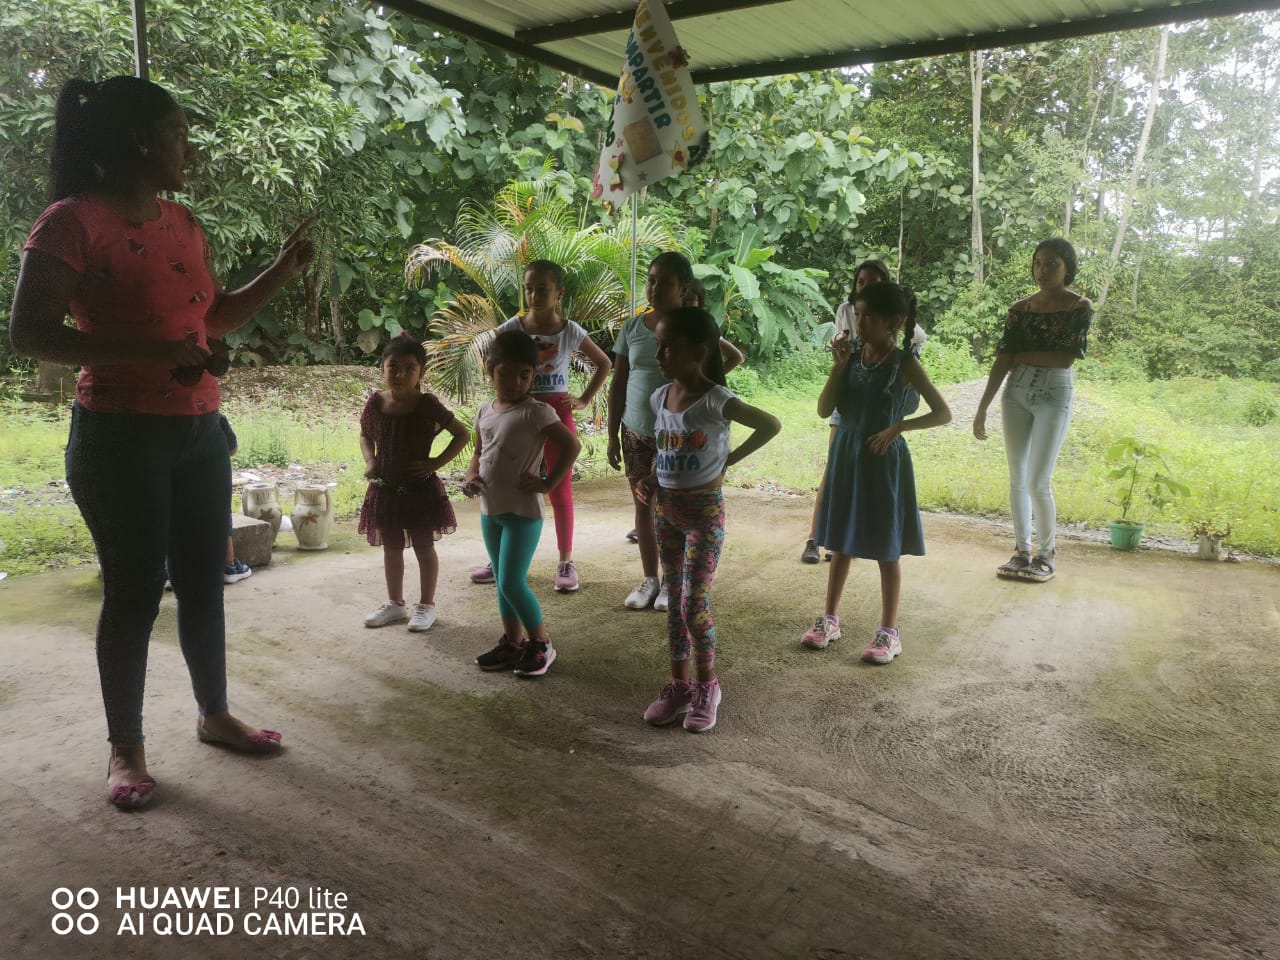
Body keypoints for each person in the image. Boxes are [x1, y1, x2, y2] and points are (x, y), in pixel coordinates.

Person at [8, 76, 313, 809]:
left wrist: (281, 272)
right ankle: (126, 748)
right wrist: (150, 354)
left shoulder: (184, 222)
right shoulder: (71, 223)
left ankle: (214, 715)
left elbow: (213, 319)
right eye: (179, 134)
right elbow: (30, 334)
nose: (190, 151)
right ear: (142, 140)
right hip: (119, 438)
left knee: (205, 581)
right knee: (135, 592)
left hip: (199, 432)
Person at [636, 308, 780, 732]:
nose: (659, 355)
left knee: (693, 605)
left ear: (699, 353)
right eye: (658, 346)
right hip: (666, 513)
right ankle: (679, 686)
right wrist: (652, 477)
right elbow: (666, 448)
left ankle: (706, 685)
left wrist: (726, 461)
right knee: (673, 602)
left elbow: (770, 425)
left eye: (669, 347)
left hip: (704, 514)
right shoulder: (659, 397)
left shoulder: (716, 399)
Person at [801, 282, 951, 662]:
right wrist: (838, 367)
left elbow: (942, 412)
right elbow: (823, 409)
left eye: (869, 317)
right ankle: (829, 618)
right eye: (857, 315)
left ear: (894, 322)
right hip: (847, 455)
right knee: (840, 541)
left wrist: (898, 427)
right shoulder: (851, 358)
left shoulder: (904, 363)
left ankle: (888, 632)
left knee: (887, 546)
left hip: (883, 461)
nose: (860, 323)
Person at [607, 252, 744, 612]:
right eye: (651, 280)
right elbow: (618, 381)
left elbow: (725, 359)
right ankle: (649, 579)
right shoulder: (632, 328)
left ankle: (673, 581)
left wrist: (704, 390)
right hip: (636, 430)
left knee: (677, 508)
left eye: (664, 282)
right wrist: (612, 433)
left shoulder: (694, 326)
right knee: (643, 503)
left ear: (683, 288)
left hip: (680, 437)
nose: (654, 288)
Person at [469, 260, 611, 593]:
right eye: (529, 289)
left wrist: (584, 399)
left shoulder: (570, 330)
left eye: (542, 289)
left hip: (556, 413)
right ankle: (499, 558)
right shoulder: (512, 327)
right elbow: (494, 360)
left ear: (559, 293)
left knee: (559, 487)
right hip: (517, 413)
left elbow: (604, 363)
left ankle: (565, 561)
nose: (534, 296)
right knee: (502, 479)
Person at [464, 329, 581, 678]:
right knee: (502, 583)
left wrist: (549, 482)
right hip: (491, 510)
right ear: (490, 369)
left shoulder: (537, 412)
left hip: (523, 514)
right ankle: (512, 643)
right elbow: (479, 452)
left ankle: (541, 643)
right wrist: (471, 475)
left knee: (512, 582)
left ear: (534, 375)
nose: (515, 382)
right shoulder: (485, 411)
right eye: (506, 373)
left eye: (524, 375)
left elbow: (571, 446)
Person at [973, 238, 1091, 583]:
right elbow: (1003, 359)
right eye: (1038, 263)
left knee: (1038, 480)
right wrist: (982, 407)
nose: (1043, 270)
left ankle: (1045, 554)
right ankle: (1022, 551)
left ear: (1067, 267)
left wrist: (1021, 355)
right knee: (1017, 477)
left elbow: (1065, 357)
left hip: (1054, 391)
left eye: (1052, 263)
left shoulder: (1079, 307)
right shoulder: (1020, 308)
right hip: (1016, 392)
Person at [359, 334, 470, 631]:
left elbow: (462, 434)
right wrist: (371, 461)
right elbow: (365, 434)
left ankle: (426, 605)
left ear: (421, 373)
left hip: (420, 492)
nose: (400, 374)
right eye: (393, 366)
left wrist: (435, 463)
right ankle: (395, 604)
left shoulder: (427, 404)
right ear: (382, 368)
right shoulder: (376, 402)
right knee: (391, 547)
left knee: (423, 547)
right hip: (386, 490)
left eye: (409, 368)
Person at [801, 260, 892, 564]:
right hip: (848, 394)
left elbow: (915, 338)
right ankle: (816, 537)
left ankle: (845, 541)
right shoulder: (846, 310)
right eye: (861, 281)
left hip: (876, 406)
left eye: (874, 281)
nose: (866, 287)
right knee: (835, 469)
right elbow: (845, 345)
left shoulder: (893, 319)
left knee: (866, 474)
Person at [218, 413, 253, 584]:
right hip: (212, 479)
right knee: (222, 519)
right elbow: (232, 449)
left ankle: (170, 572)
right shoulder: (216, 418)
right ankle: (229, 566)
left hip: (174, 480)